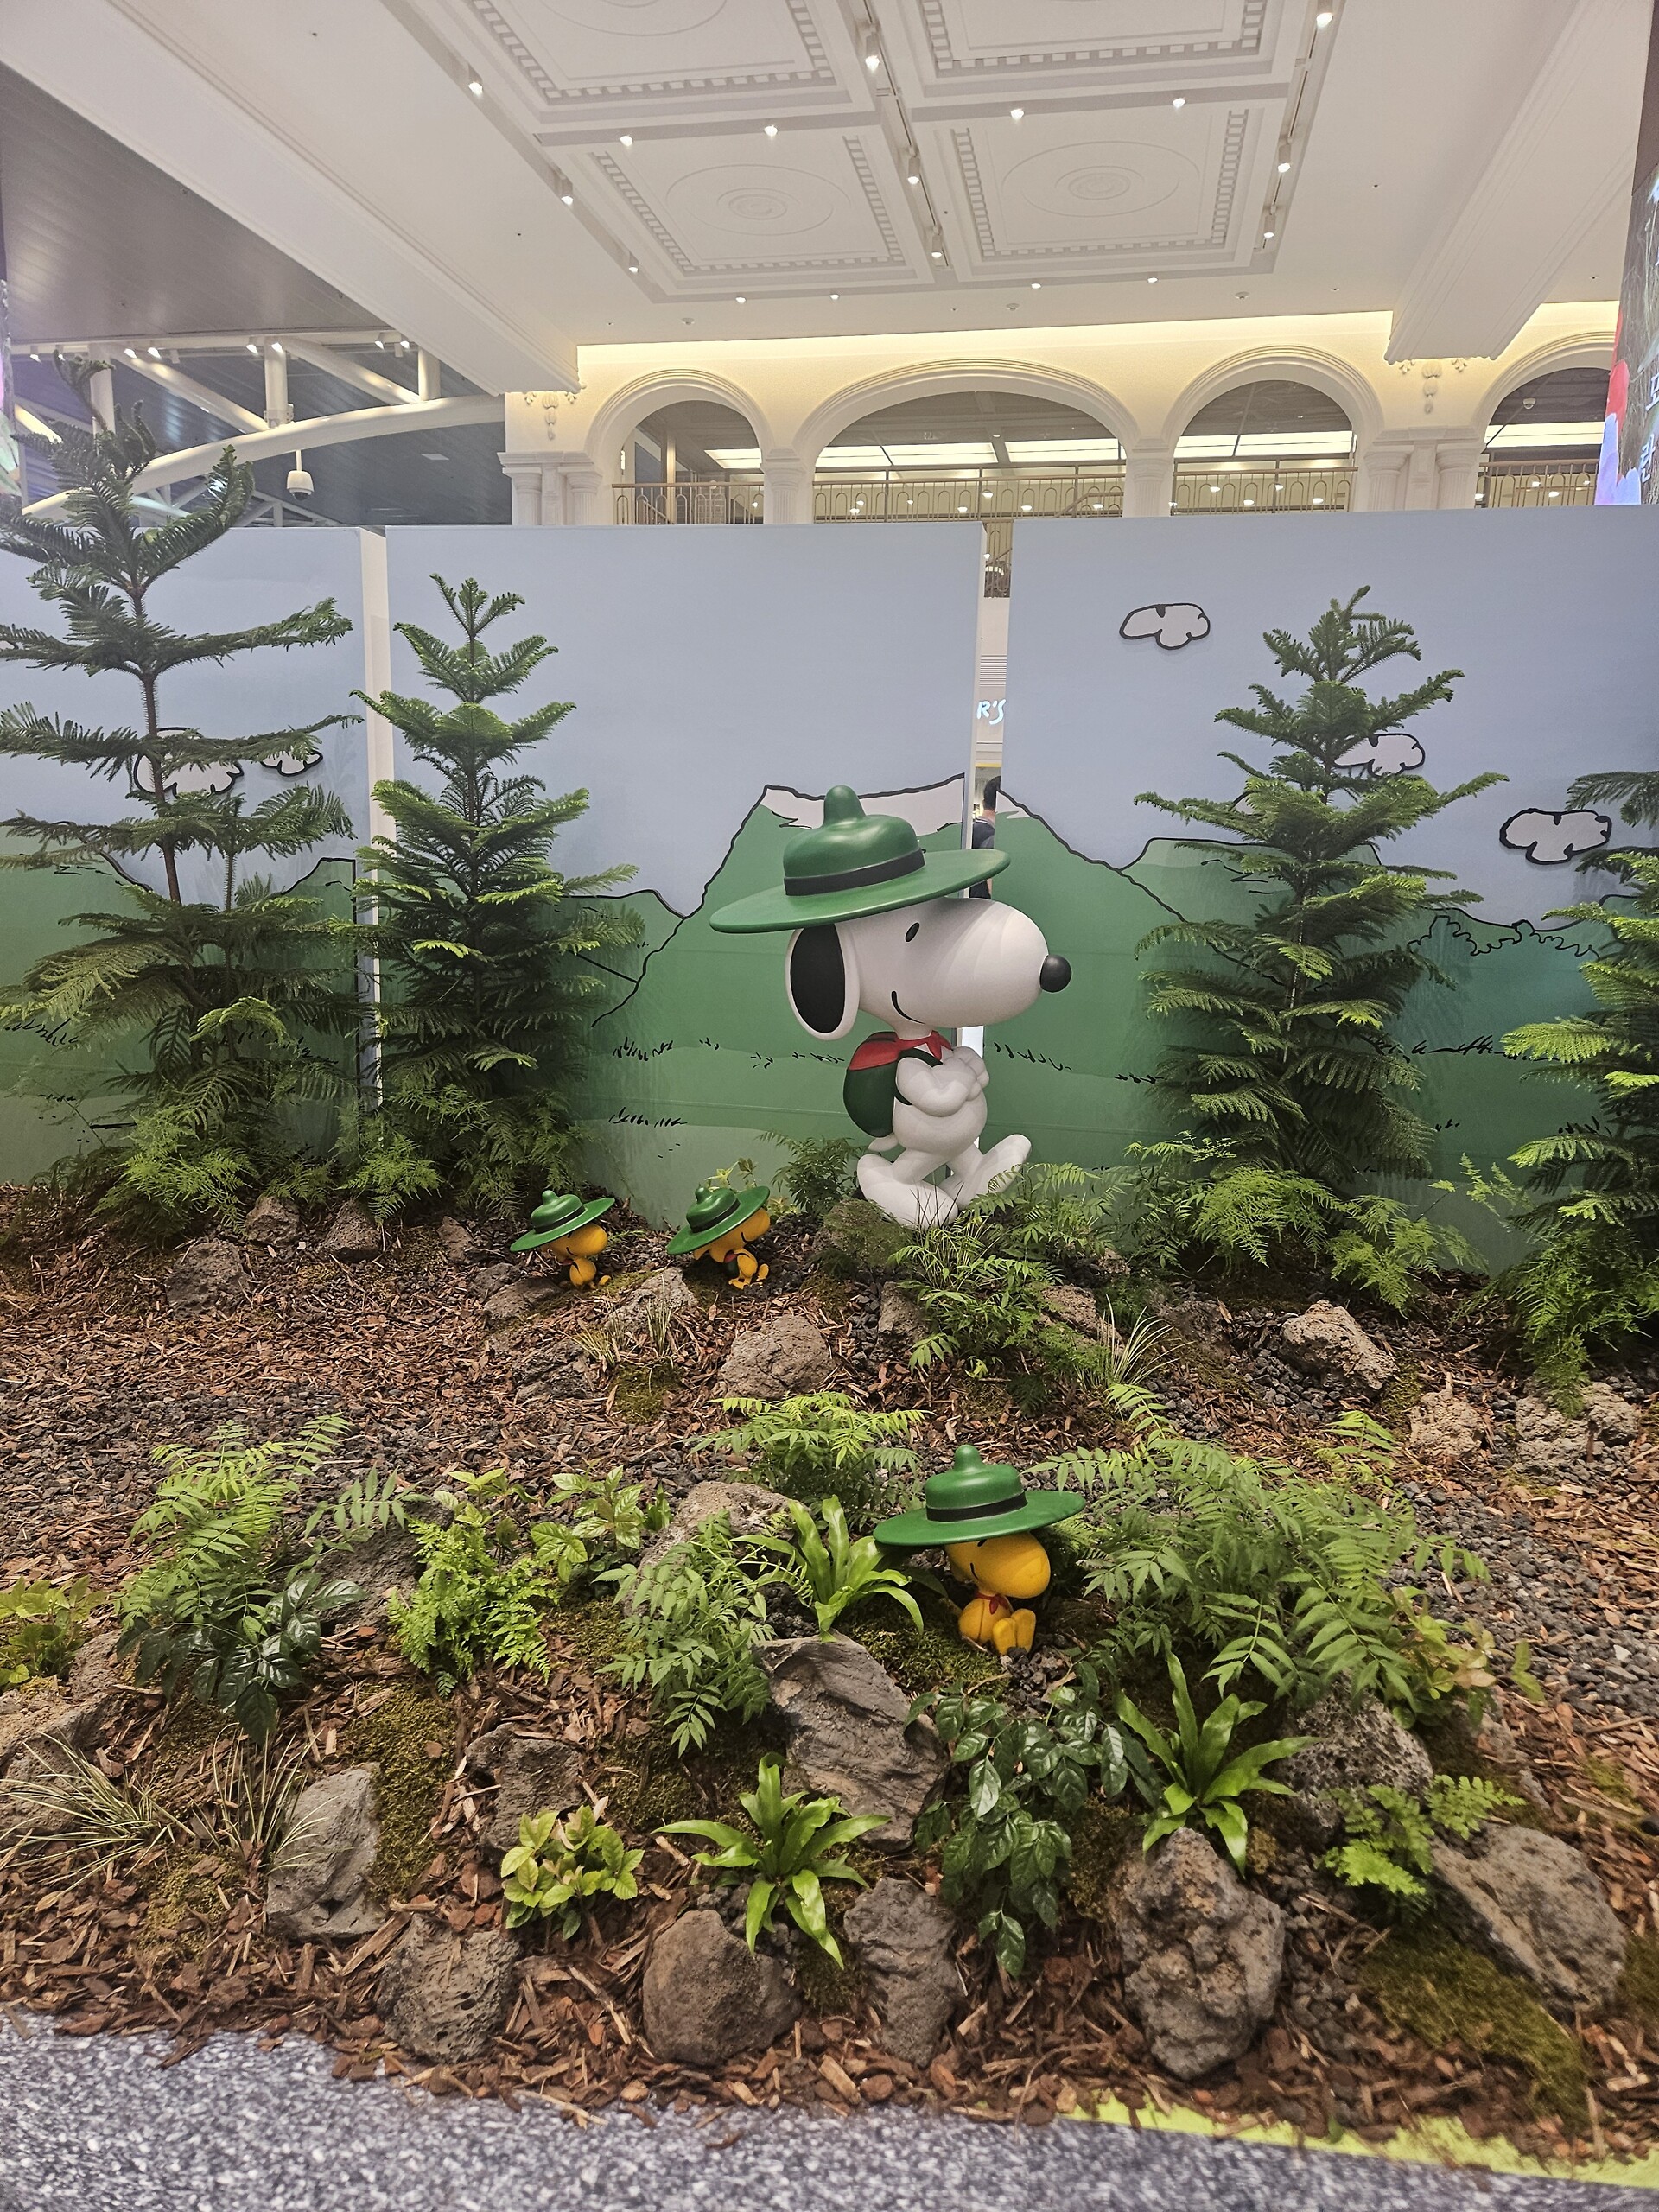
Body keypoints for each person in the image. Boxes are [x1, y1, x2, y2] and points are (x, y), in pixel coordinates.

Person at [968, 774, 999, 899]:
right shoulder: (994, 841)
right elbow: (994, 890)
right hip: (986, 906)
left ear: (983, 802)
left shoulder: (966, 833)